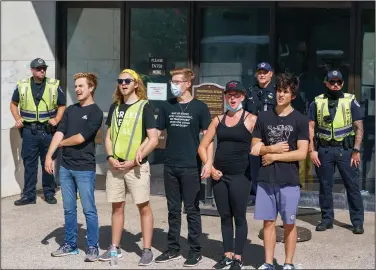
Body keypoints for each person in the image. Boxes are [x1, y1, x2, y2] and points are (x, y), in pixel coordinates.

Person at [98, 69, 158, 266]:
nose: (123, 84)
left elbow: (153, 139)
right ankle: (114, 248)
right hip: (116, 165)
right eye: (120, 81)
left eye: (127, 81)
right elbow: (108, 136)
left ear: (136, 84)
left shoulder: (144, 107)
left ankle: (147, 250)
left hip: (136, 167)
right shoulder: (115, 107)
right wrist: (109, 157)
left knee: (143, 206)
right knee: (117, 206)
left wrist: (135, 160)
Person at [251, 72, 309, 270]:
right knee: (268, 223)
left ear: (292, 95)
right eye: (278, 90)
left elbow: (301, 154)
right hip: (266, 179)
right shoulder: (264, 117)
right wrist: (272, 149)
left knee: (289, 224)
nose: (280, 95)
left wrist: (274, 156)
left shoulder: (300, 120)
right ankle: (268, 263)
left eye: (285, 92)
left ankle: (288, 263)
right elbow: (254, 148)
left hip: (289, 180)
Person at [154, 68, 212, 267]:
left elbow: (207, 137)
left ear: (188, 84)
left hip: (190, 166)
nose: (174, 85)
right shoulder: (166, 106)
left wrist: (208, 162)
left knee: (192, 209)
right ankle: (173, 249)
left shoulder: (200, 108)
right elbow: (156, 134)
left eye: (178, 81)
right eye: (172, 81)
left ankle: (195, 250)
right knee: (172, 210)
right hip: (170, 164)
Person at [198, 80, 257, 270]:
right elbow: (203, 146)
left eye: (236, 95)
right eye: (229, 95)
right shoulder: (218, 119)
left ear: (243, 97)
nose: (232, 98)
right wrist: (209, 165)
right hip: (219, 176)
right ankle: (227, 255)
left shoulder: (251, 119)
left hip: (241, 176)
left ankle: (238, 257)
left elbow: (260, 144)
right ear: (225, 97)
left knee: (239, 217)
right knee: (224, 216)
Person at [45, 72, 103, 261]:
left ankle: (93, 247)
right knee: (69, 209)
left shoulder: (95, 112)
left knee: (89, 210)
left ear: (91, 87)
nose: (77, 89)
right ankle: (70, 244)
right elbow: (59, 133)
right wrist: (48, 155)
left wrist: (60, 145)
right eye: (76, 86)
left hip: (85, 169)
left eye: (81, 86)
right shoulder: (70, 110)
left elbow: (80, 138)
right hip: (66, 168)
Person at [308, 70, 364, 234]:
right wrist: (312, 150)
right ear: (326, 83)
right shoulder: (317, 102)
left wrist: (356, 150)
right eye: (332, 82)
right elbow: (310, 127)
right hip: (324, 150)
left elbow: (359, 127)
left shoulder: (350, 100)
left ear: (342, 83)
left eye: (338, 82)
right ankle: (326, 219)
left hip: (346, 150)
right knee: (325, 186)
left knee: (352, 186)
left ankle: (357, 222)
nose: (335, 85)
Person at [10, 58, 66, 206]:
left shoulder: (54, 85)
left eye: (44, 68)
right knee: (29, 164)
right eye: (39, 68)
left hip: (47, 131)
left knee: (48, 163)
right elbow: (13, 104)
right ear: (32, 70)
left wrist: (57, 119)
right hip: (29, 131)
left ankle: (49, 193)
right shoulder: (22, 85)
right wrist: (17, 118)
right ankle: (28, 195)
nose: (42, 70)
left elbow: (62, 105)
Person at [244, 62, 276, 205]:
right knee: (254, 165)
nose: (262, 74)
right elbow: (244, 111)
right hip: (253, 135)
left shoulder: (276, 91)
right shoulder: (250, 91)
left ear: (271, 74)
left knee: (269, 165)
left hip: (271, 135)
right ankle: (255, 194)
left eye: (265, 72)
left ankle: (268, 194)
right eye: (259, 72)